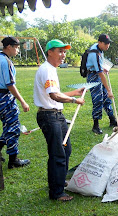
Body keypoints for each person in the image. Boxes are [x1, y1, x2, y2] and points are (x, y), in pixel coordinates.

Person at [34, 39, 85, 201]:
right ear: (50, 52)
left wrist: (74, 93)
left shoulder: (51, 70)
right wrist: (74, 101)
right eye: (60, 51)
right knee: (57, 153)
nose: (63, 55)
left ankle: (60, 181)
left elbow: (56, 93)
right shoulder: (47, 70)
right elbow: (54, 96)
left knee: (66, 149)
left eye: (64, 52)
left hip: (57, 115)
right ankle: (56, 193)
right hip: (49, 116)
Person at [0, 36, 30, 169]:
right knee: (13, 128)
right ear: (8, 47)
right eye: (16, 47)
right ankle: (13, 160)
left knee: (7, 127)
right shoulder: (6, 62)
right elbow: (10, 85)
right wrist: (23, 101)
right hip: (5, 98)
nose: (17, 50)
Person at [86, 34, 117, 134]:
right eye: (106, 43)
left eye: (108, 43)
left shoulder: (100, 49)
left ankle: (112, 120)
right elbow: (99, 73)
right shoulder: (94, 53)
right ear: (100, 43)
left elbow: (100, 66)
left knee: (106, 99)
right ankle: (95, 126)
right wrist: (109, 90)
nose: (107, 45)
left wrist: (104, 68)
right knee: (98, 100)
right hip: (93, 76)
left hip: (98, 73)